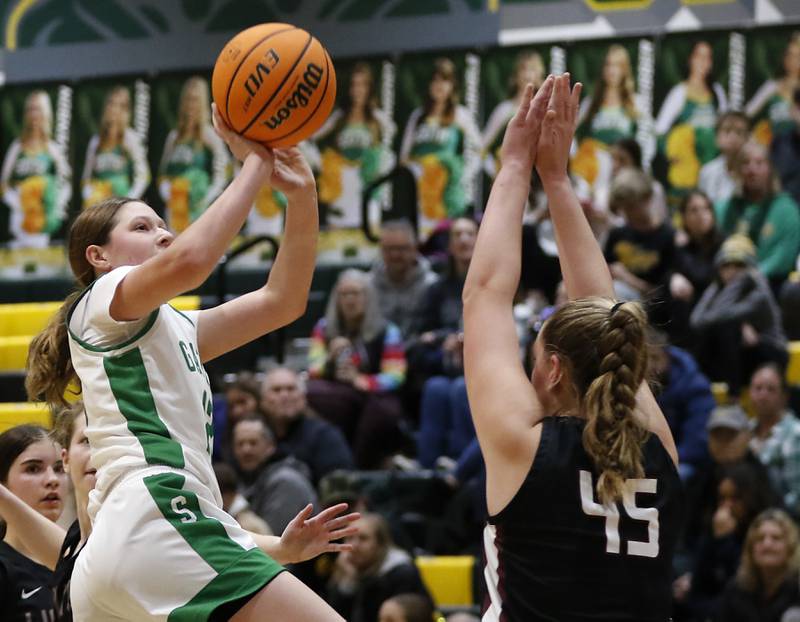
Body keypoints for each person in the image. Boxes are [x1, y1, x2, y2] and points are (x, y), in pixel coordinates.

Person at [23, 101, 346, 620]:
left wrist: (302, 196)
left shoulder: (177, 327)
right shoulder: (103, 300)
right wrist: (254, 164)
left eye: (163, 226)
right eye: (144, 228)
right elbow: (193, 261)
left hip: (114, 546)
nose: (165, 235)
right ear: (98, 257)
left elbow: (283, 301)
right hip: (156, 512)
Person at [463, 73, 682, 620]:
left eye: (534, 355)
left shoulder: (522, 445)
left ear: (554, 370)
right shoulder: (657, 445)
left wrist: (516, 165)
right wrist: (556, 179)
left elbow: (487, 294)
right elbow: (599, 305)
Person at [1, 403, 361, 621]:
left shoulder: (142, 523)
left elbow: (203, 539)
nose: (100, 455)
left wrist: (283, 549)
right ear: (67, 458)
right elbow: (26, 522)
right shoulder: (75, 550)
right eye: (86, 442)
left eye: (109, 444)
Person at [306, 269, 408, 470]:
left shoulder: (387, 330)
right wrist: (330, 359)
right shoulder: (324, 327)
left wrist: (362, 380)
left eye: (356, 294)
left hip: (373, 393)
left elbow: (395, 375)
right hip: (338, 391)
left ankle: (357, 466)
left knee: (382, 411)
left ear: (368, 297)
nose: (350, 300)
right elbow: (313, 369)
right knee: (310, 394)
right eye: (344, 294)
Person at [690, 235, 788, 394]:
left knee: (728, 326)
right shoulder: (717, 288)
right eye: (726, 265)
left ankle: (733, 398)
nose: (732, 271)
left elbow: (722, 314)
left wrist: (737, 284)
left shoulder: (758, 291)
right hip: (738, 357)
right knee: (704, 337)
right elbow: (696, 321)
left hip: (770, 353)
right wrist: (716, 287)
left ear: (750, 269)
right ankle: (699, 392)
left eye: (739, 265)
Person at [399, 58, 481, 240]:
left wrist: (462, 176)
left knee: (445, 239)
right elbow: (403, 156)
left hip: (447, 193)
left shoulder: (460, 115)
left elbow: (479, 151)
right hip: (421, 193)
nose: (439, 85)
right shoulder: (418, 116)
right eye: (435, 80)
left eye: (445, 80)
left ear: (452, 85)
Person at [313, 62, 396, 230]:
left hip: (366, 184)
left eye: (362, 84)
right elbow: (312, 137)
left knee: (368, 228)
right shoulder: (339, 117)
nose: (358, 89)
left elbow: (391, 140)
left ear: (369, 88)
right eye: (354, 84)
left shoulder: (377, 118)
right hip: (342, 184)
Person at [0, 425, 64, 621]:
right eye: (33, 468)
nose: (52, 479)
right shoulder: (5, 568)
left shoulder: (86, 556)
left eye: (59, 469)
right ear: (3, 485)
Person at [715, 140, 800, 286]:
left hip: (771, 284)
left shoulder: (787, 209)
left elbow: (785, 255)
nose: (752, 169)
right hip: (728, 283)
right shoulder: (725, 209)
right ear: (737, 170)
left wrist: (754, 275)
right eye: (746, 163)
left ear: (770, 169)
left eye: (759, 163)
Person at [656, 40, 728, 200]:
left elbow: (726, 126)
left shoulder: (717, 92)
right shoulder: (680, 92)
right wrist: (673, 155)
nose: (703, 62)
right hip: (687, 174)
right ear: (690, 60)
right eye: (699, 56)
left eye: (707, 57)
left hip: (713, 169)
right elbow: (659, 131)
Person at [327, 513, 433, 622]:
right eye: (349, 538)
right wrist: (348, 583)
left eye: (363, 538)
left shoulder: (402, 574)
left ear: (380, 544)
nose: (354, 546)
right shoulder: (348, 568)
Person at [259, 366, 354, 486]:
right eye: (276, 390)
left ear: (303, 398)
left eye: (291, 389)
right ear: (262, 401)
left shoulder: (325, 436)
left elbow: (342, 491)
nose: (284, 395)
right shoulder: (253, 436)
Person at [1, 90, 71, 248]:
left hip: (42, 221)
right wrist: (18, 203)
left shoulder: (52, 148)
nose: (34, 114)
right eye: (30, 109)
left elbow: (66, 182)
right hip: (20, 220)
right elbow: (4, 183)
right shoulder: (17, 147)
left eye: (38, 109)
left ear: (46, 113)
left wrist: (56, 207)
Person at [158, 76, 230, 233]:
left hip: (198, 209)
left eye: (196, 100)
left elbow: (224, 169)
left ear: (203, 102)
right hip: (174, 208)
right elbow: (163, 171)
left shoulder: (209, 134)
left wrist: (209, 195)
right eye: (188, 99)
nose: (191, 104)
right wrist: (166, 189)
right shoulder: (174, 136)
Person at [572, 45, 642, 194]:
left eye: (617, 65)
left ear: (624, 70)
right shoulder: (590, 103)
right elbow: (572, 136)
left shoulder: (636, 103)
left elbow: (645, 142)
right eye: (608, 65)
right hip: (593, 174)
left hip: (624, 176)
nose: (612, 70)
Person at [232, 416, 318, 534]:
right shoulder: (243, 480)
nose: (246, 450)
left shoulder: (286, 482)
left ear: (270, 447)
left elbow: (273, 537)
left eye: (253, 443)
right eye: (240, 444)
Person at [716, 509, 800, 622]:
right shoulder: (736, 589)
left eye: (776, 538)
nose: (767, 544)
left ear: (791, 547)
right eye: (760, 538)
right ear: (751, 549)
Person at [669, 190, 724, 346]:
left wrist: (681, 251)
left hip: (717, 308)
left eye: (706, 208)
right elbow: (665, 273)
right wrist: (674, 277)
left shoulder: (724, 244)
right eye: (694, 210)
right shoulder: (680, 244)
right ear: (684, 218)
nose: (702, 215)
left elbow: (706, 278)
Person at [81, 85, 150, 209]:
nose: (114, 109)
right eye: (111, 103)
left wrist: (130, 199)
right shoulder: (96, 140)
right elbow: (87, 177)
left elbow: (143, 176)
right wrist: (89, 195)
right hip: (99, 205)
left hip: (121, 203)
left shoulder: (131, 138)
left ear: (127, 111)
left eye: (121, 106)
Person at [481, 50, 546, 180]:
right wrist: (496, 172)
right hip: (511, 182)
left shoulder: (546, 110)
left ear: (540, 74)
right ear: (516, 76)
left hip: (540, 183)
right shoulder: (504, 110)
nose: (527, 75)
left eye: (532, 69)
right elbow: (481, 147)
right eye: (523, 69)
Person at [369, 219, 438, 339]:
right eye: (389, 249)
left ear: (415, 248)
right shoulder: (367, 285)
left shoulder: (432, 285)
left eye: (402, 248)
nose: (395, 254)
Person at [748, 363, 800, 519]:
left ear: (784, 396)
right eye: (758, 388)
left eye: (771, 389)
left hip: (784, 518)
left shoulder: (796, 433)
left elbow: (797, 496)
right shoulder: (745, 430)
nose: (763, 395)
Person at [746, 32, 800, 145]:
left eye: (797, 56)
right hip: (776, 152)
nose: (792, 60)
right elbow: (747, 113)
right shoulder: (772, 86)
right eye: (788, 55)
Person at [698, 111, 750, 205]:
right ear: (717, 138)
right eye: (727, 131)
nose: (733, 136)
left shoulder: (754, 169)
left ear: (747, 138)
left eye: (739, 132)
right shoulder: (707, 171)